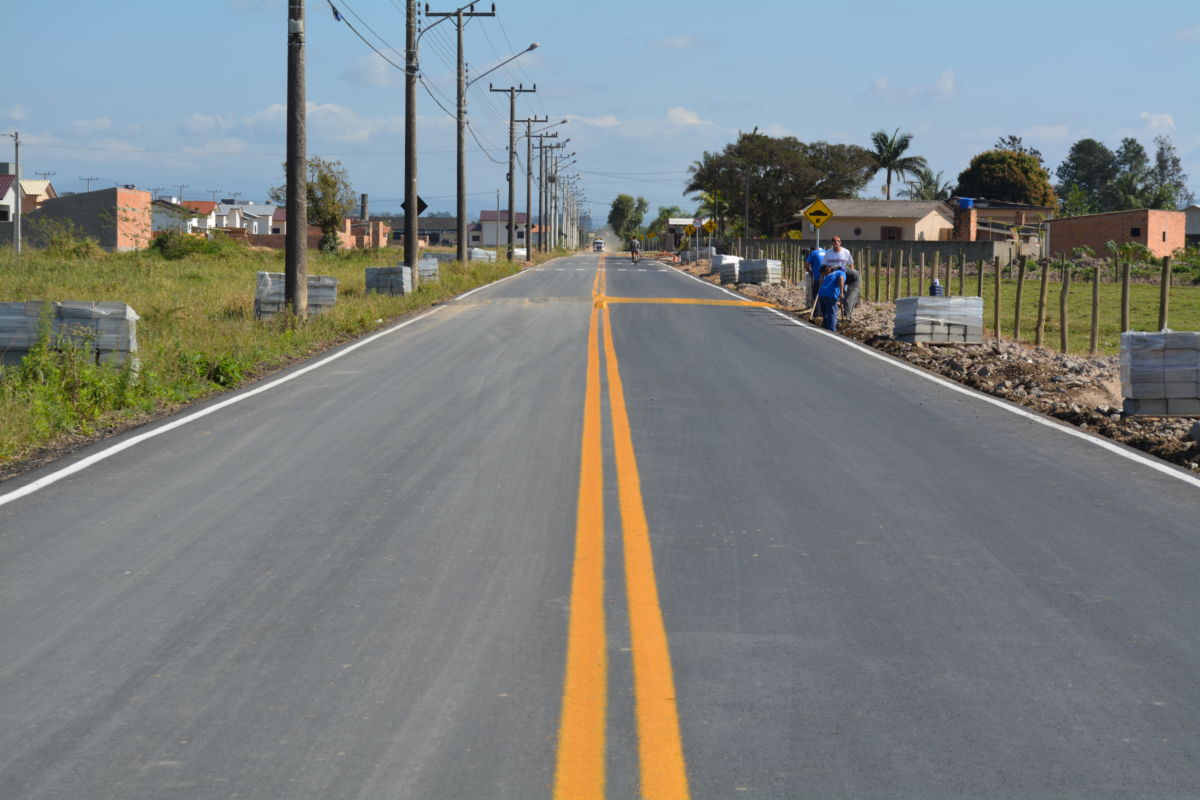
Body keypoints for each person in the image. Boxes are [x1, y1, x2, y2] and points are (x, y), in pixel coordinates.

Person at [816, 259, 846, 332]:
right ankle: (832, 330)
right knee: (832, 313)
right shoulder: (841, 273)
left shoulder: (829, 275)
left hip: (821, 293)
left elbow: (821, 282)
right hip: (830, 295)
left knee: (825, 312)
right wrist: (841, 292)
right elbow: (841, 279)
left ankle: (825, 328)